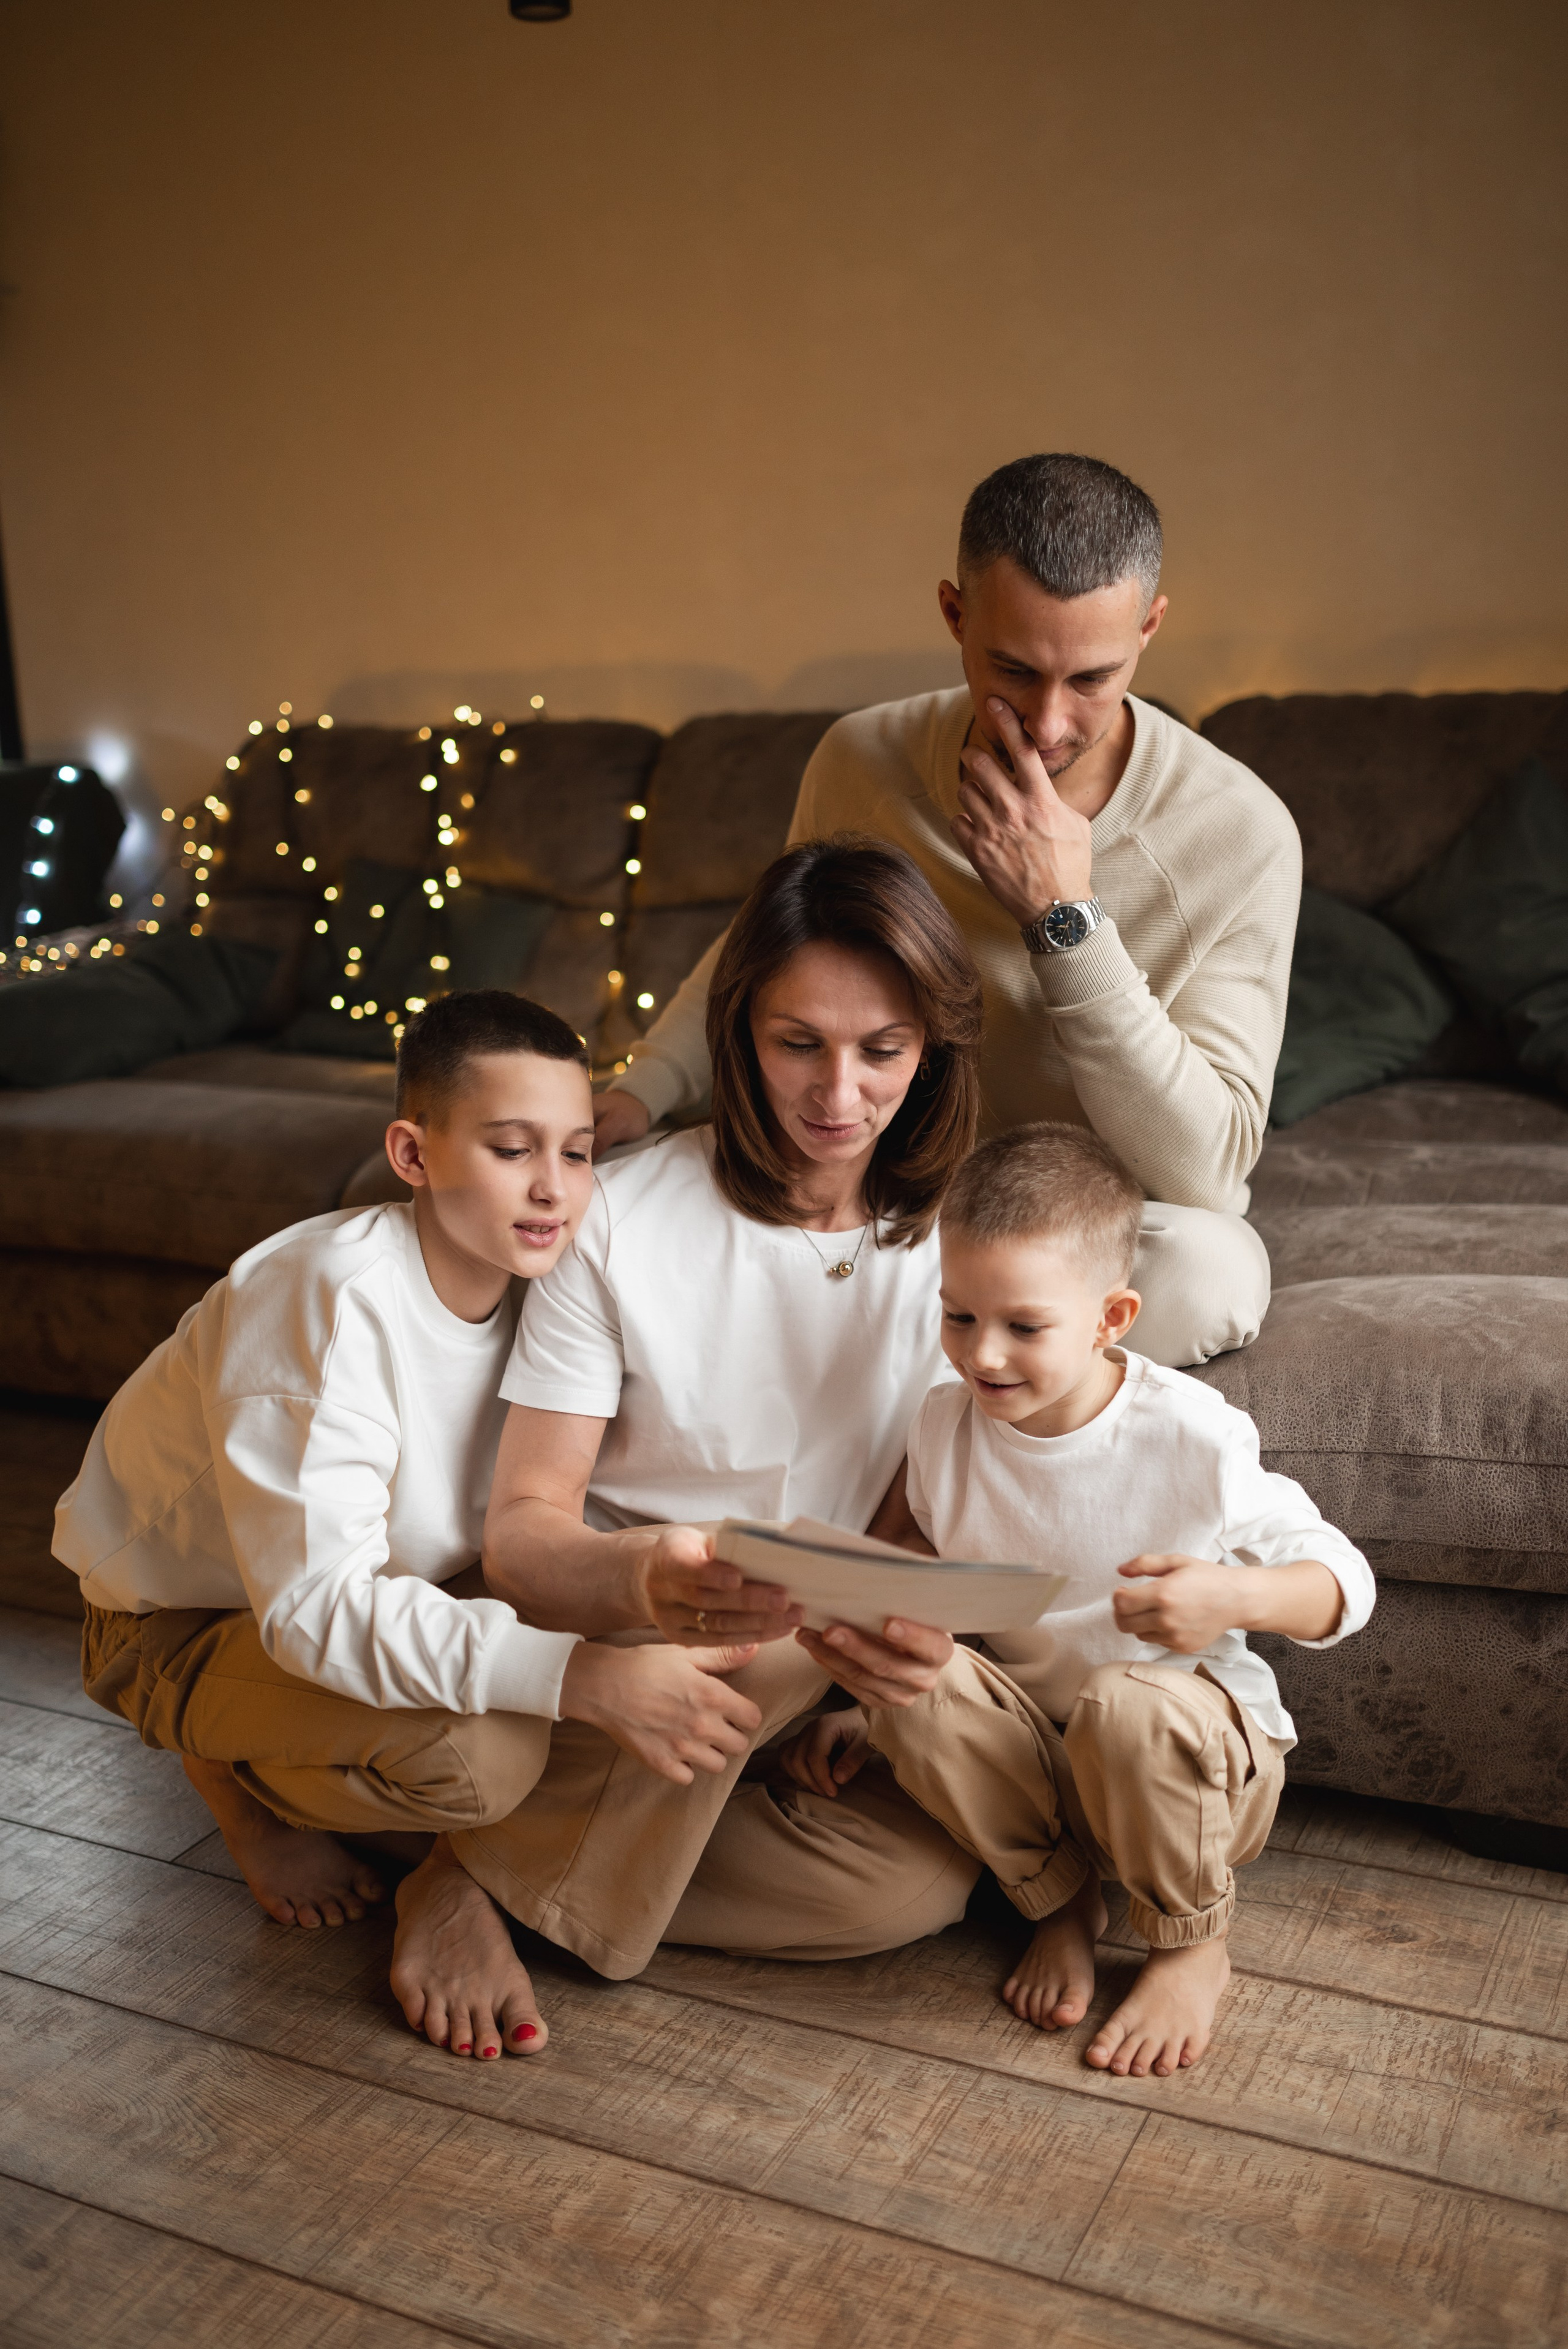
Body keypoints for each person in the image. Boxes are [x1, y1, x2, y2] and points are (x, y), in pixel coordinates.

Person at [55, 992, 770, 2059]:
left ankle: (456, 1856)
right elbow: (314, 1609)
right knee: (484, 1760)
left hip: (403, 1588)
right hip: (185, 1617)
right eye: (510, 1148)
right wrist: (580, 1676)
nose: (552, 1188)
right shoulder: (326, 1296)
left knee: (651, 1645)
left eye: (576, 1154)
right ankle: (230, 1779)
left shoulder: (547, 1284)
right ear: (413, 1152)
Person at [398, 835, 1025, 2027]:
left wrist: (851, 1690)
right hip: (619, 1621)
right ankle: (461, 1877)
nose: (837, 1098)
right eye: (798, 1044)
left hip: (797, 1655)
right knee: (767, 1617)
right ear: (737, 1032)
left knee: (905, 1890)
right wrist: (648, 1575)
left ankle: (487, 1846)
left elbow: (904, 1507)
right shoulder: (623, 1220)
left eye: (880, 1052)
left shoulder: (964, 1237)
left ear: (931, 1049)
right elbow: (523, 1536)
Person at [592, 451, 1300, 1368]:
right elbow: (768, 956)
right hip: (878, 1179)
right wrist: (638, 1091)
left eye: (1091, 678)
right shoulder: (863, 758)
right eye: (1012, 669)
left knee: (1213, 1274)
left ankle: (896, 1349)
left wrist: (1064, 921)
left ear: (1150, 628)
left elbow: (1206, 1172)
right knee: (601, 1192)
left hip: (1065, 1225)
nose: (1047, 724)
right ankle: (907, 1354)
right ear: (954, 615)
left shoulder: (1240, 832)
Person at [781, 1122, 1374, 2077]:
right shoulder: (943, 1425)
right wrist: (866, 1701)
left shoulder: (1191, 1436)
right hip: (1038, 1769)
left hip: (1187, 1769)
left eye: (1024, 1327)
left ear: (1112, 1318)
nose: (984, 1356)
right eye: (958, 1317)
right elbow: (936, 1583)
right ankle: (1059, 1901)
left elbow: (1347, 1584)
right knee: (912, 1677)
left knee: (1128, 1703)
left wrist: (1231, 1596)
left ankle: (1190, 1942)